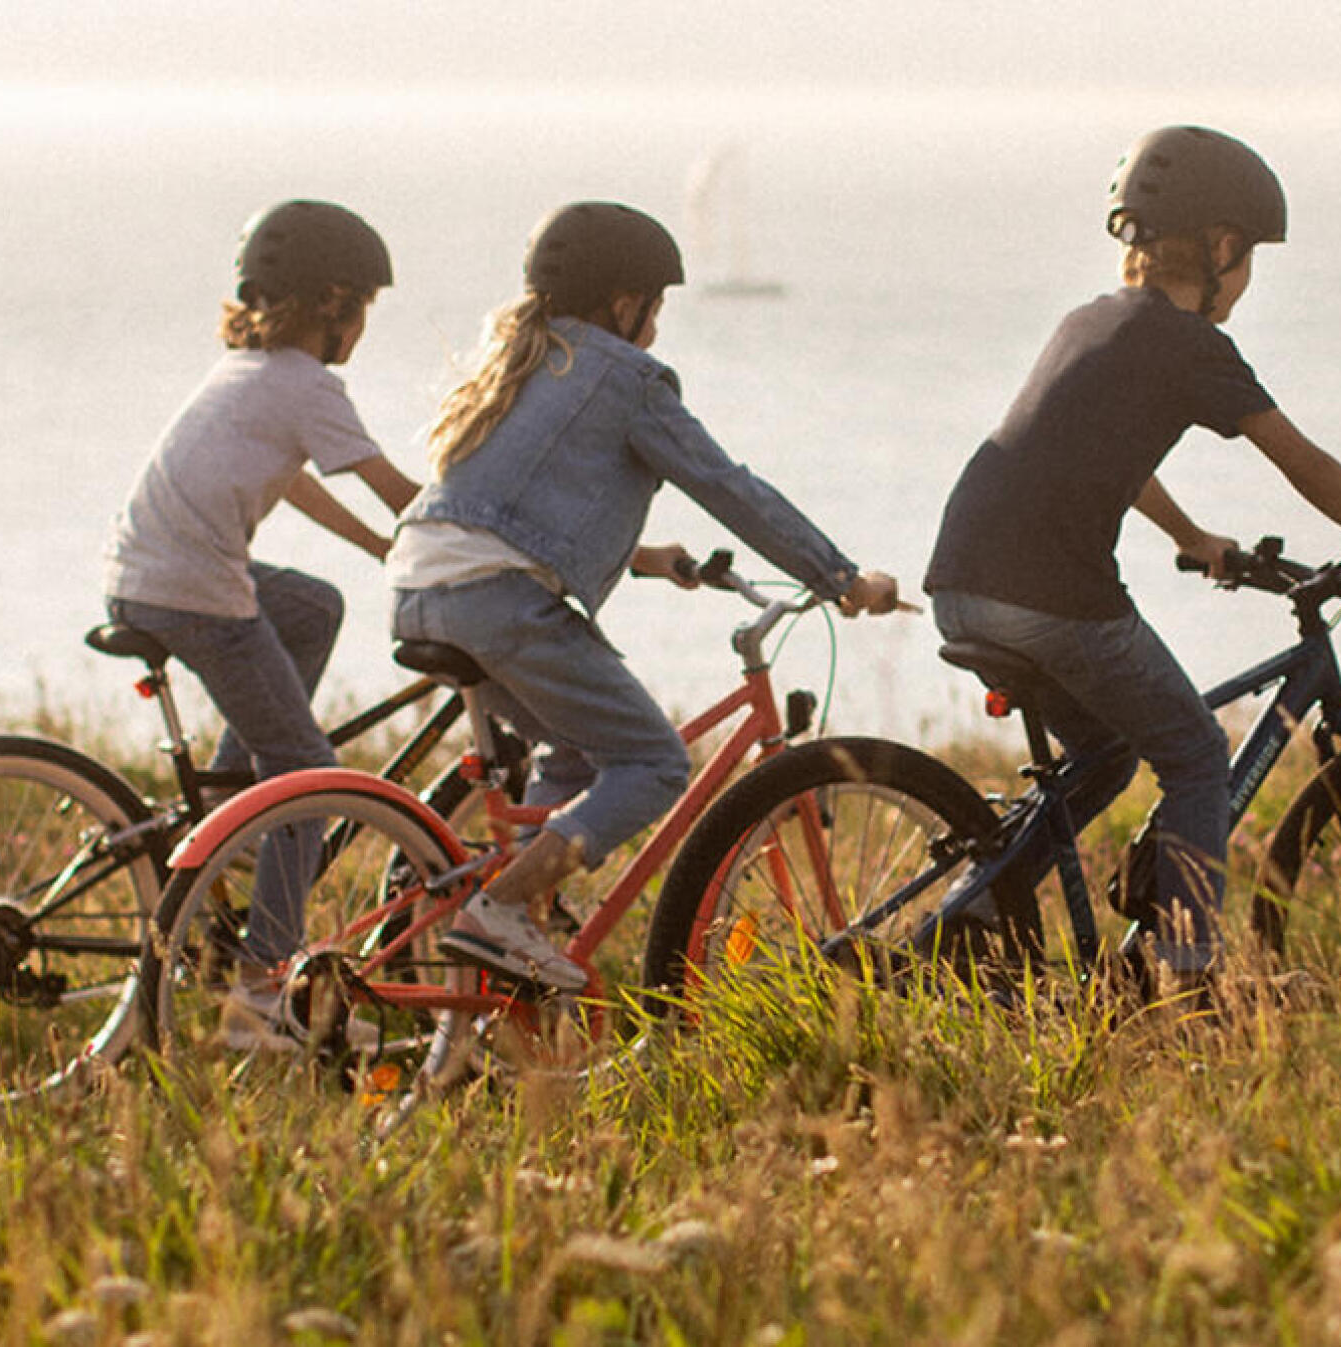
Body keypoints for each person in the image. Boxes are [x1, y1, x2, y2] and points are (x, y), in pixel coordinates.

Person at [923, 126, 1341, 986]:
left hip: (962, 579)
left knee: (1108, 751)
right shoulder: (1193, 345)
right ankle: (1189, 979)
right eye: (1249, 260)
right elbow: (1302, 460)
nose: (1245, 282)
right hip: (1056, 598)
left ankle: (977, 912)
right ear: (1223, 245)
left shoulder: (1087, 321)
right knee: (1198, 754)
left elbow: (1095, 454)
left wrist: (1190, 537)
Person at [389, 201, 899, 990]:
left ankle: (521, 916)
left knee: (578, 749)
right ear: (625, 303)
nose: (656, 328)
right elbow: (731, 489)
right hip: (498, 599)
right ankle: (501, 906)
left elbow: (522, 502)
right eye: (655, 308)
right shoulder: (626, 378)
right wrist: (841, 577)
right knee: (655, 762)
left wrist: (649, 556)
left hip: (423, 583)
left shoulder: (525, 357)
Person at [102, 199, 420, 1019]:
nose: (365, 326)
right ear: (333, 304)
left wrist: (385, 553)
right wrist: (465, 540)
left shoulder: (247, 372)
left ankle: (236, 793)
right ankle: (263, 980)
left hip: (145, 576)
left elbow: (296, 479)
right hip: (196, 593)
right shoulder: (308, 384)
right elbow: (399, 493)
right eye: (366, 308)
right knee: (310, 782)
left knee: (311, 607)